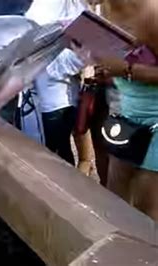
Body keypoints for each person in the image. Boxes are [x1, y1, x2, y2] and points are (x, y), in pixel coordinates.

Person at [87, 0, 158, 221]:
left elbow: (130, 67)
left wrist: (128, 70)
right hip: (127, 114)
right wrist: (109, 73)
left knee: (148, 207)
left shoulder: (151, 12)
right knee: (115, 201)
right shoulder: (101, 9)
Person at [25, 0, 88, 165]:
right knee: (52, 154)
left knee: (59, 154)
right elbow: (48, 57)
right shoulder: (44, 7)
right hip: (46, 97)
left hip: (63, 97)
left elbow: (80, 53)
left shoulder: (76, 6)